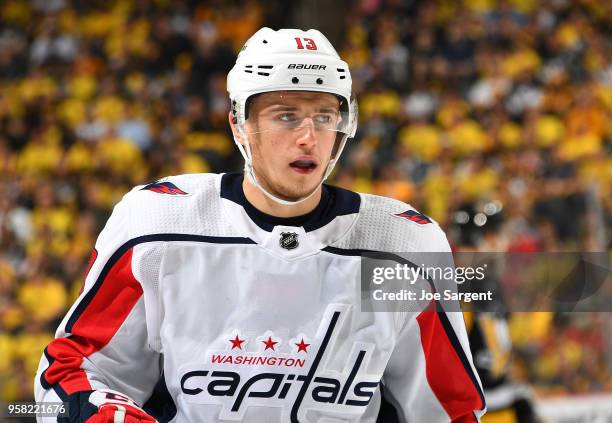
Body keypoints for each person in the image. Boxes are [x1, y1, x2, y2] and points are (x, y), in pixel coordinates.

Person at [35, 28, 486, 423]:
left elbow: (448, 409)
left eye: (324, 117)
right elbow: (71, 370)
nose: (308, 136)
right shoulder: (157, 224)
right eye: (285, 115)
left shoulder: (403, 245)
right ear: (239, 124)